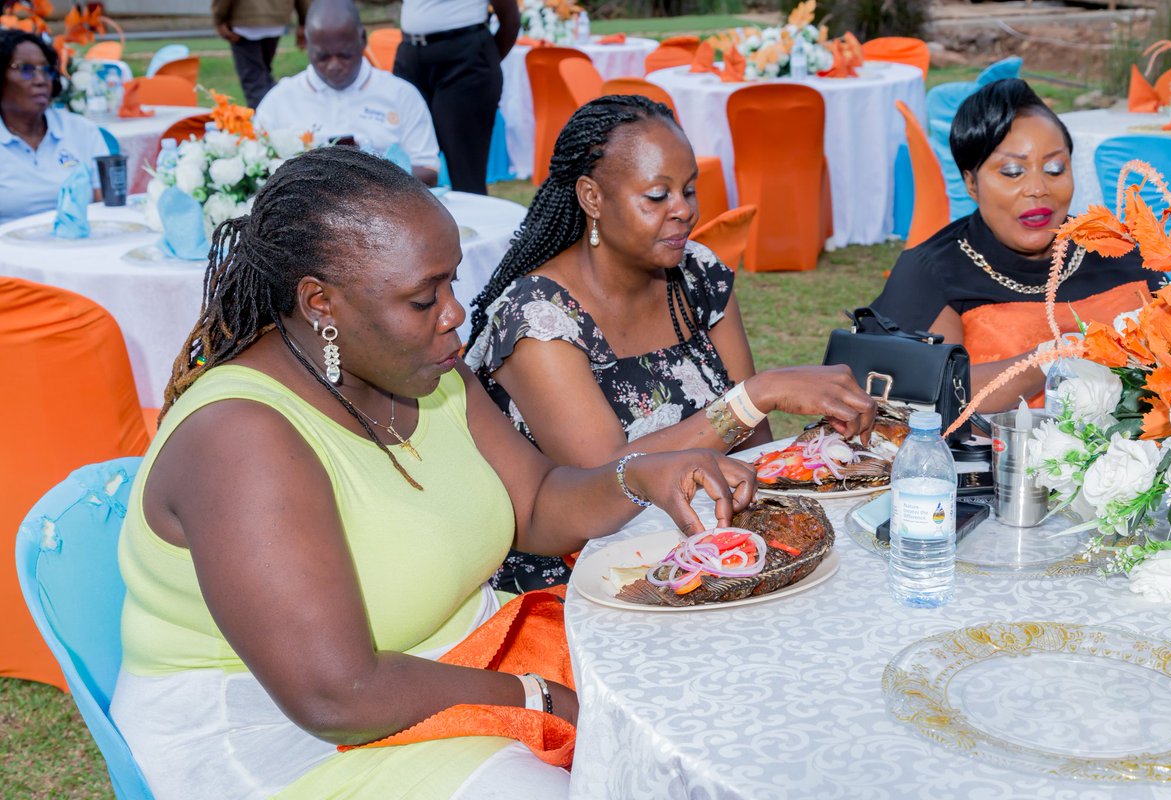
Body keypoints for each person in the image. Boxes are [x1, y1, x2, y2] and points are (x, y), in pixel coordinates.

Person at [108, 146, 755, 799]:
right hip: (293, 742)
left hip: (453, 659)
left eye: (451, 281)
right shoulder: (241, 440)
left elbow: (534, 503)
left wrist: (642, 476)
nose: (454, 313)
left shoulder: (421, 367)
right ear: (320, 303)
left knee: (701, 691)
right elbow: (336, 694)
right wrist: (538, 699)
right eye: (424, 297)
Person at [464, 95, 875, 592]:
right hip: (588, 575)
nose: (683, 211)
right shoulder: (539, 318)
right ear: (592, 197)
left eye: (689, 190)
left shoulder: (697, 276)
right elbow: (605, 479)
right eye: (657, 196)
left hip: (711, 541)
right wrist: (755, 395)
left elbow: (754, 448)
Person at [870, 79, 1167, 412]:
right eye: (1012, 172)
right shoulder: (935, 272)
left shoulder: (1121, 248)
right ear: (971, 182)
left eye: (1055, 169)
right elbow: (924, 398)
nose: (1038, 188)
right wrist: (1050, 359)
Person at [255, 0, 440, 185]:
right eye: (322, 57)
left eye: (345, 55)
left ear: (362, 40)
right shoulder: (279, 100)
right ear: (306, 44)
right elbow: (257, 168)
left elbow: (429, 172)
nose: (334, 66)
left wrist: (370, 171)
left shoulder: (401, 95)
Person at [392, 0, 519, 194]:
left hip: (464, 57)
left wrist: (482, 63)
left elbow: (510, 19)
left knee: (465, 170)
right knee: (404, 163)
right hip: (410, 54)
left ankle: (470, 223)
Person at [0, 30, 106, 224]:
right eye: (26, 69)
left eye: (47, 70)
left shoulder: (81, 131)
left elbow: (106, 209)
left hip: (79, 246)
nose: (41, 80)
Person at [212, 0, 310, 108]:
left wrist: (219, 18)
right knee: (264, 76)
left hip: (245, 19)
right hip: (276, 18)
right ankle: (279, 114)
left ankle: (264, 121)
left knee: (254, 81)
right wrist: (304, 20)